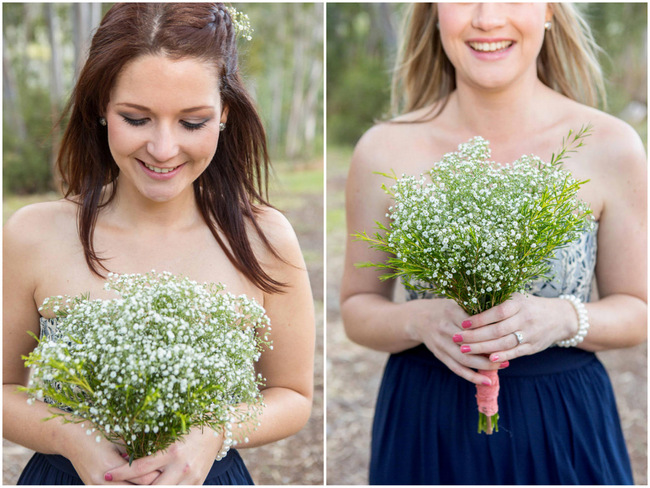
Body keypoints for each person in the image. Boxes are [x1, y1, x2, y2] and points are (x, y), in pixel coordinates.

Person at [4, 3, 314, 485]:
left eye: (192, 123)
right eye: (137, 118)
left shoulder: (264, 239)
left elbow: (293, 395)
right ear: (102, 108)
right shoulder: (34, 234)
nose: (164, 149)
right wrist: (70, 435)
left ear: (224, 113)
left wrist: (215, 432)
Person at [341, 3, 646, 484]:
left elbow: (638, 310)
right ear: (434, 12)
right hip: (427, 425)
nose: (486, 18)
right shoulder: (384, 149)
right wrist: (421, 319)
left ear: (548, 10)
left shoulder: (611, 145)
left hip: (562, 422)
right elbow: (358, 309)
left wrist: (562, 317)